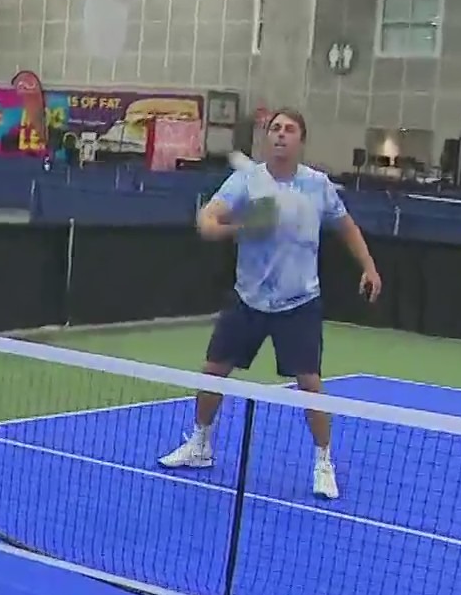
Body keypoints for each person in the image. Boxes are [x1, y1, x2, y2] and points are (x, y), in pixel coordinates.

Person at [157, 108, 382, 501]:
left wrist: (368, 267)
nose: (280, 135)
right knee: (211, 373)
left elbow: (346, 226)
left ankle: (323, 462)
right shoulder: (246, 181)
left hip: (299, 302)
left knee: (309, 384)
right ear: (267, 138)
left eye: (289, 129)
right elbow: (205, 222)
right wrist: (241, 227)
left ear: (301, 140)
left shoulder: (318, 185)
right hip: (248, 299)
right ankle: (200, 445)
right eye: (274, 129)